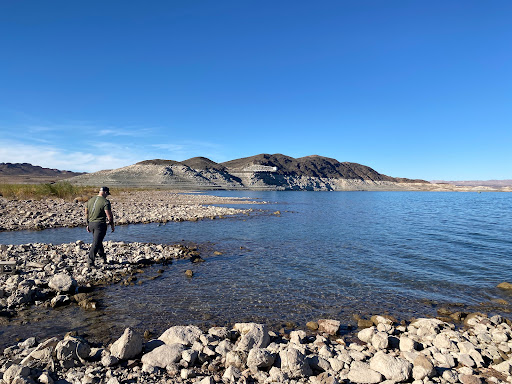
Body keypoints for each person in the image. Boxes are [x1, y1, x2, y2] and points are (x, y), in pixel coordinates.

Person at [85, 186, 115, 267]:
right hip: (100, 225)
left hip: (91, 224)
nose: (107, 195)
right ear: (105, 192)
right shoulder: (105, 202)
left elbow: (86, 213)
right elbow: (109, 215)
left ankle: (103, 258)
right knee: (96, 243)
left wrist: (87, 224)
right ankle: (90, 262)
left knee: (98, 241)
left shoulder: (90, 200)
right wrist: (112, 225)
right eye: (107, 194)